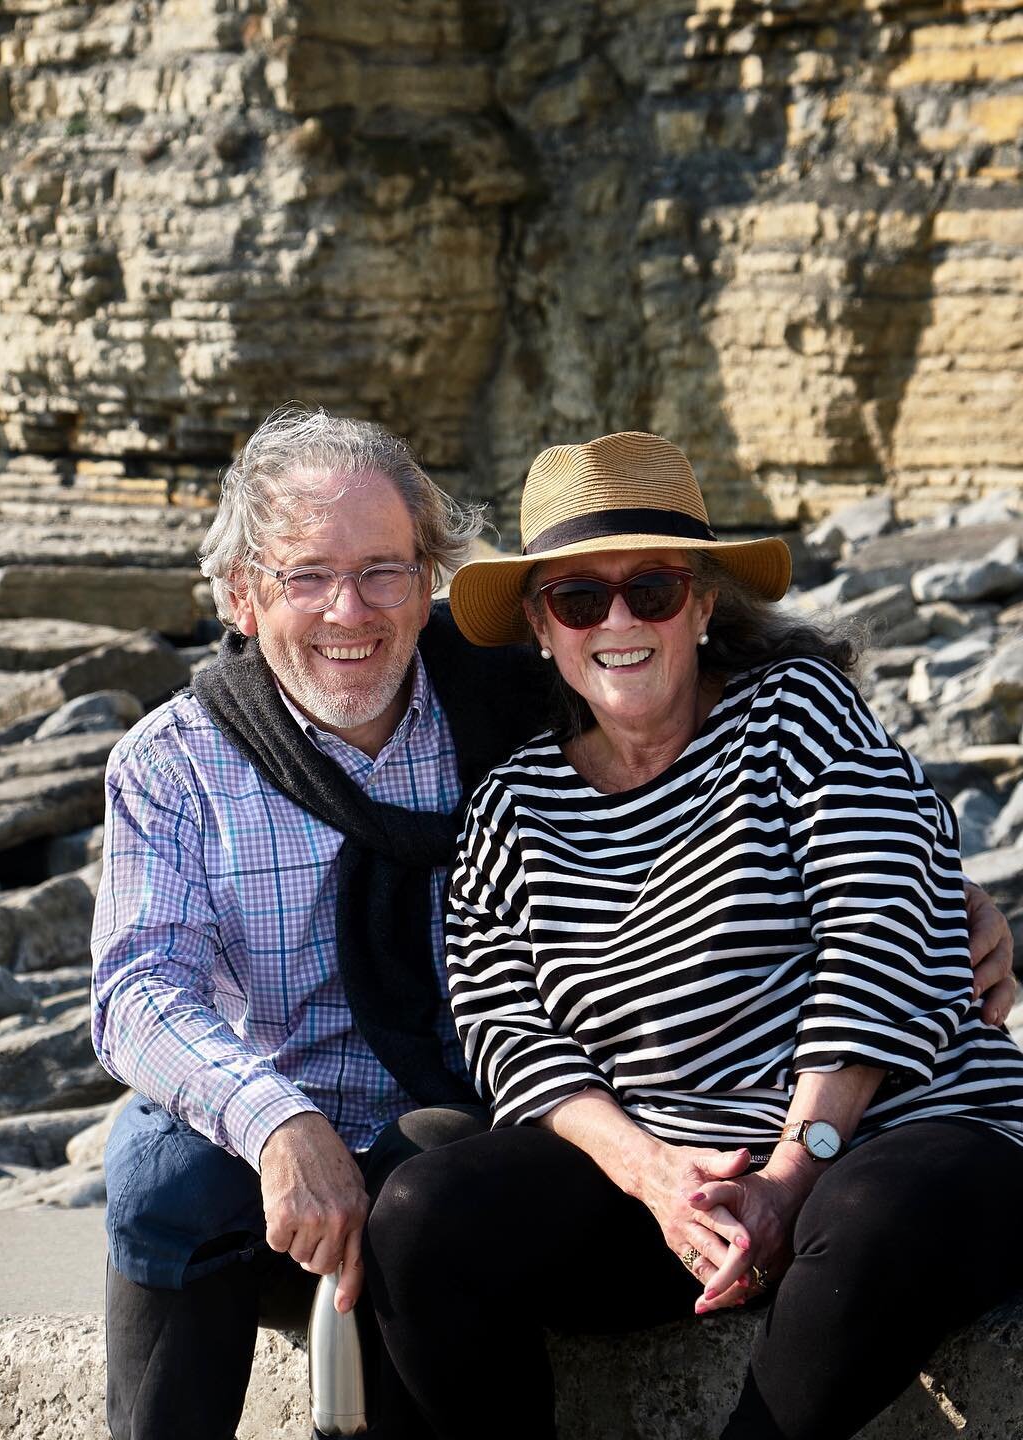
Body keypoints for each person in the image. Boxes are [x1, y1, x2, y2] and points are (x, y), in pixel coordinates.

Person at [91, 410, 1016, 1440]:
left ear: (700, 602)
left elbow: (872, 883)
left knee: (439, 1196)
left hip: (594, 1124)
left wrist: (946, 902)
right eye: (307, 575)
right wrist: (277, 1122)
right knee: (172, 1181)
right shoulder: (192, 763)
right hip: (310, 1136)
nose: (348, 610)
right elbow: (144, 990)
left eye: (385, 572)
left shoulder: (538, 697)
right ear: (242, 595)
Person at [365, 430, 1023, 1440]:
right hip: (673, 1190)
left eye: (654, 591)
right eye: (581, 598)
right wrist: (656, 1177)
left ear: (705, 605)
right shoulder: (511, 810)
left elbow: (876, 936)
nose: (617, 620)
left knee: (869, 1217)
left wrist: (792, 1174)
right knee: (421, 1218)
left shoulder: (799, 716)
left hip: (888, 1140)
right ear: (543, 626)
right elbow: (510, 1034)